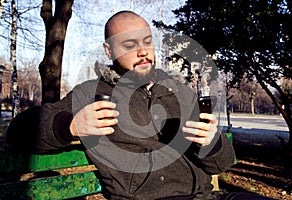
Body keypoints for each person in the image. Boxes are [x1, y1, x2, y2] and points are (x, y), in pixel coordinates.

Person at [6, 11, 273, 200]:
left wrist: (211, 142)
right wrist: (70, 125)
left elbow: (222, 163)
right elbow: (18, 131)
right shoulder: (92, 94)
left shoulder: (178, 92)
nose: (143, 51)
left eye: (147, 42)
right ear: (109, 51)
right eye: (130, 44)